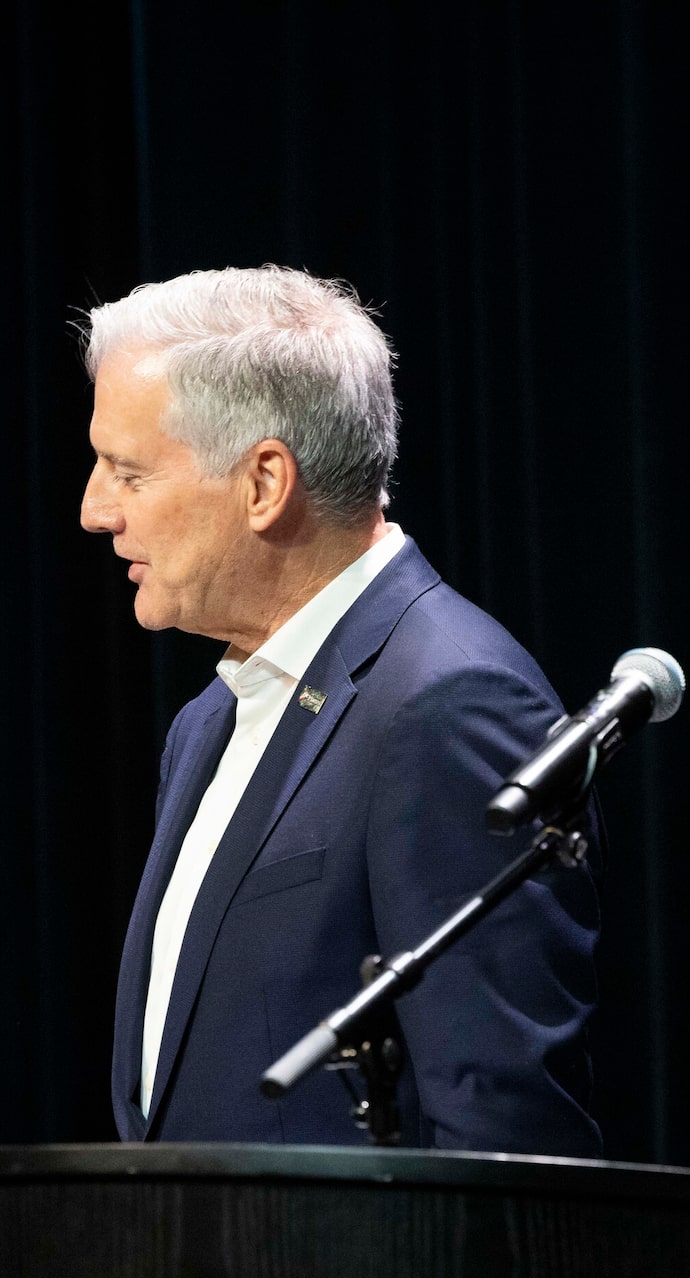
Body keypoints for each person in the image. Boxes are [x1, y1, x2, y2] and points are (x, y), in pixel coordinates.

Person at [82, 266, 597, 1152]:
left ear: (264, 483)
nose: (96, 511)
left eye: (128, 473)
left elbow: (502, 1129)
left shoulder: (449, 704)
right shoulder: (208, 719)